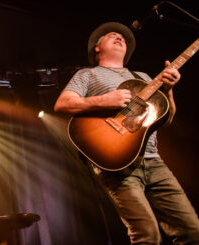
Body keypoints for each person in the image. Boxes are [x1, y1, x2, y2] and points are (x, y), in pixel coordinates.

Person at [54, 22, 199, 244]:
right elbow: (63, 104)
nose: (119, 36)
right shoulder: (88, 74)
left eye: (122, 36)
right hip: (117, 163)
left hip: (154, 162)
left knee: (192, 230)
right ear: (97, 48)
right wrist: (103, 100)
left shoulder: (142, 76)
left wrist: (168, 91)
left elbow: (165, 119)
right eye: (111, 35)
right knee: (147, 235)